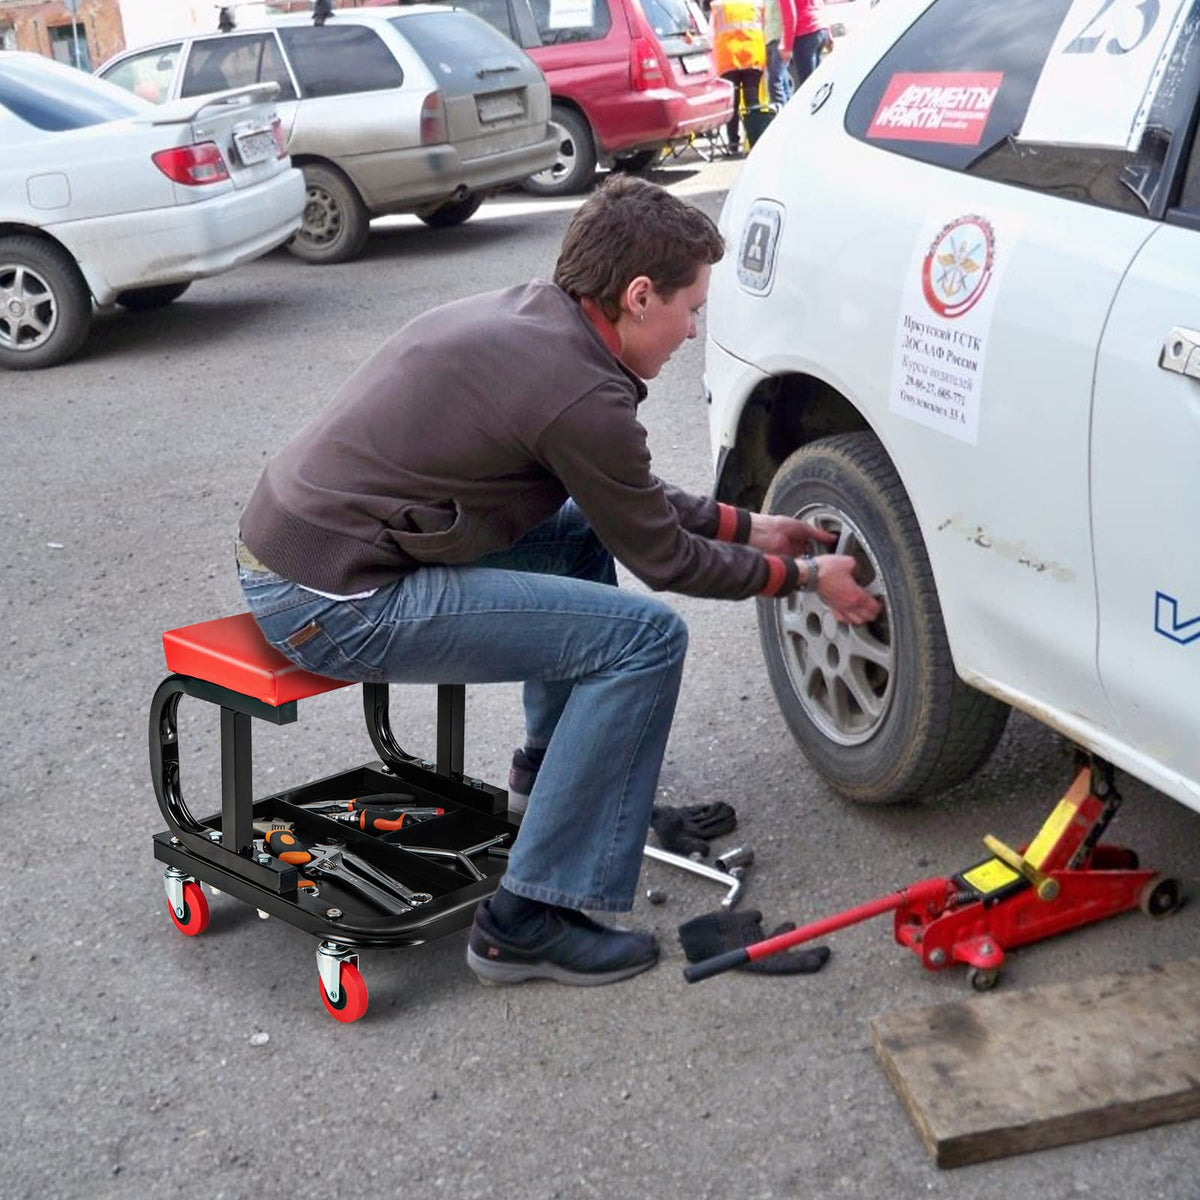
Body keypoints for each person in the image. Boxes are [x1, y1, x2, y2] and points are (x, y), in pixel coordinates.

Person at [235, 176, 881, 989]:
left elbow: (624, 499)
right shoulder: (577, 391)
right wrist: (802, 577)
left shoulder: (542, 324)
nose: (692, 330)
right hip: (332, 600)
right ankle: (523, 921)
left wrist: (744, 525)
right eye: (691, 308)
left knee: (576, 530)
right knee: (648, 640)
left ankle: (555, 786)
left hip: (302, 553)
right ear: (639, 296)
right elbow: (664, 561)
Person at [710, 0, 766, 156]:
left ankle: (733, 143)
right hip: (752, 55)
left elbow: (711, 35)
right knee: (752, 101)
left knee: (733, 104)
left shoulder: (718, 5)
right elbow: (765, 26)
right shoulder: (756, 3)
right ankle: (756, 140)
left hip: (728, 59)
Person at [763, 0, 795, 107]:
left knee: (774, 81)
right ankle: (789, 110)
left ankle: (781, 115)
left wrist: (786, 43)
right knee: (783, 80)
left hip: (779, 40)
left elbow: (789, 15)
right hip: (768, 41)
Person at [790, 0, 827, 90]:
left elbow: (789, 14)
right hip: (819, 28)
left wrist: (787, 44)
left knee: (808, 84)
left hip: (805, 31)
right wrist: (827, 30)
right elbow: (820, 4)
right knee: (818, 79)